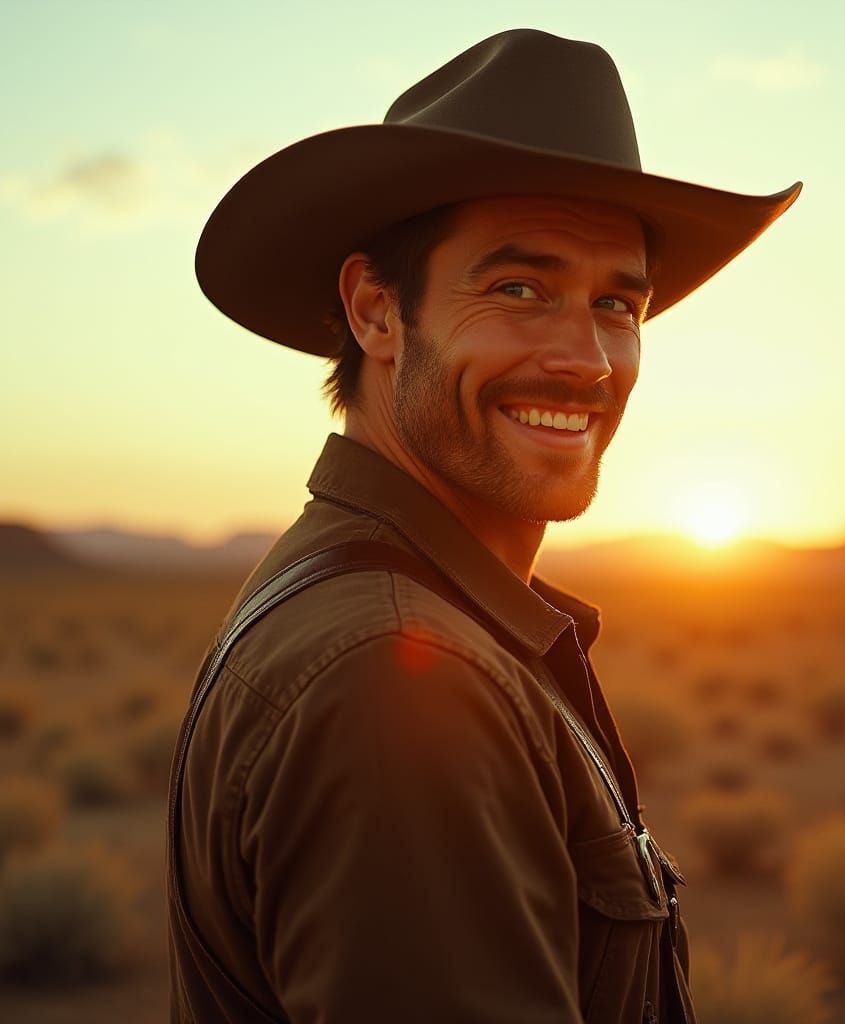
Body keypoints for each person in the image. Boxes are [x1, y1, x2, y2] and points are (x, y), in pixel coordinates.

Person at [166, 28, 800, 1024]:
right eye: (518, 289)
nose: (587, 358)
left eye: (617, 303)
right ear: (377, 313)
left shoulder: (369, 597)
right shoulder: (396, 677)